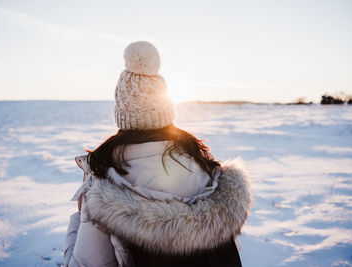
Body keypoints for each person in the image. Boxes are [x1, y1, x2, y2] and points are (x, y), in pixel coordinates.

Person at [64, 41, 253, 267]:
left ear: (122, 116)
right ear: (166, 111)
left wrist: (80, 215)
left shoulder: (104, 191)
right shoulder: (209, 175)